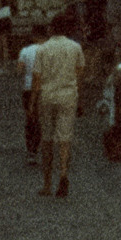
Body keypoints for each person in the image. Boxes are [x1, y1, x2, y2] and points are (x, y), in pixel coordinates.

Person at [31, 16, 84, 199]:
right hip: (68, 95)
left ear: (51, 29)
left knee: (47, 139)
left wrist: (32, 103)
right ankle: (63, 173)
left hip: (47, 96)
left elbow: (36, 78)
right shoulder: (75, 47)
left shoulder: (43, 49)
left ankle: (47, 183)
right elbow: (79, 74)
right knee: (64, 139)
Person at [16, 25, 43, 163]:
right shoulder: (47, 51)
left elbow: (19, 70)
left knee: (30, 119)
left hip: (28, 87)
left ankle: (30, 149)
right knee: (39, 119)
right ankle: (36, 148)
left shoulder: (25, 51)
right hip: (43, 88)